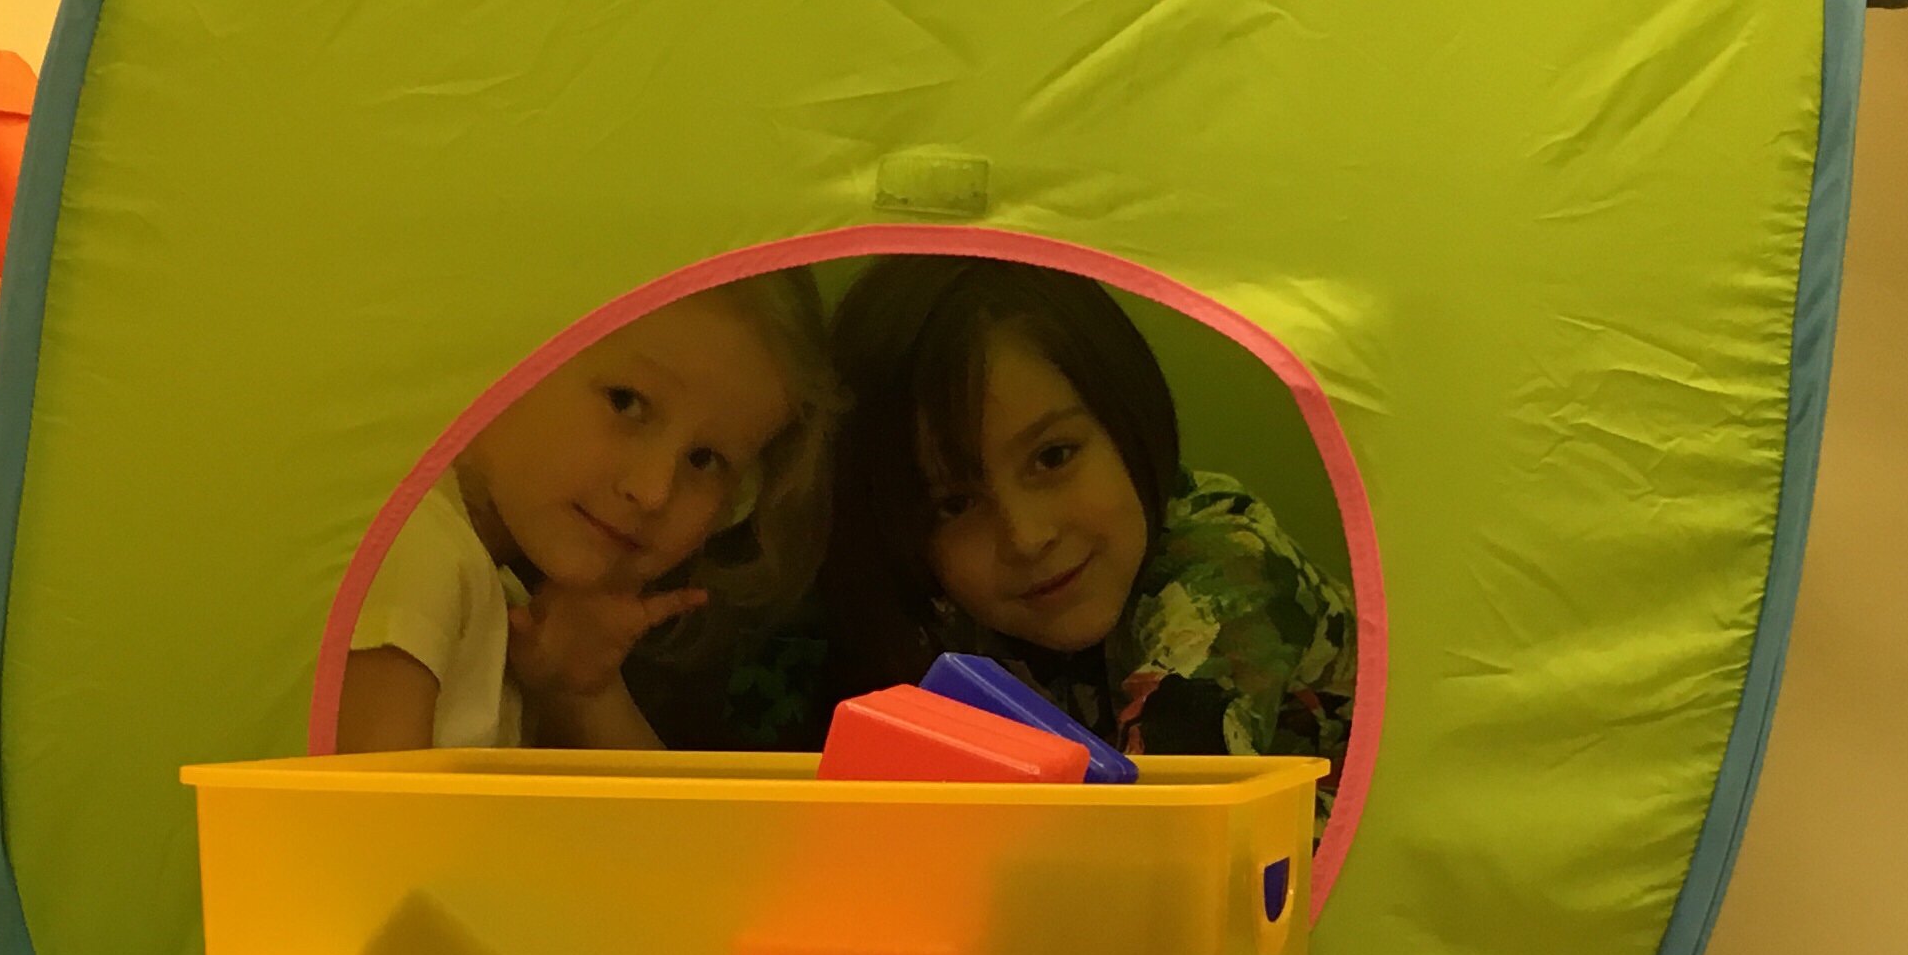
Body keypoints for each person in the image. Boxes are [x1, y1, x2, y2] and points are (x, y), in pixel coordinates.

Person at [812, 255, 1352, 771]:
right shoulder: (948, 623)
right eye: (955, 504)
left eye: (1053, 457)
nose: (1026, 537)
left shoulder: (1228, 571)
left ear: (1127, 421)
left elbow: (1159, 823)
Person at [334, 275, 833, 753]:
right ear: (508, 345)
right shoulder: (416, 548)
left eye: (705, 460)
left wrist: (581, 691)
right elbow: (368, 809)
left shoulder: (495, 587)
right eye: (626, 402)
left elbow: (664, 812)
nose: (653, 491)